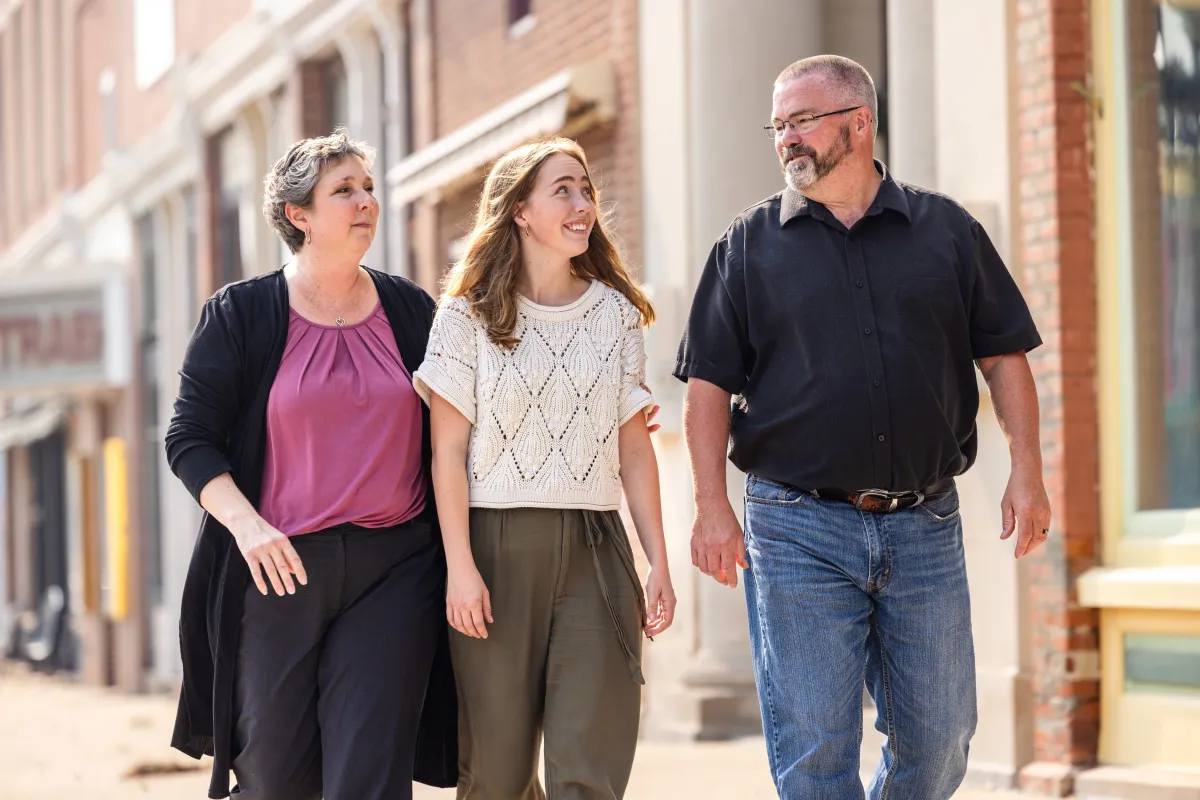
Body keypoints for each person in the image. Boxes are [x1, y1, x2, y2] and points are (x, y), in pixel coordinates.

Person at [674, 56, 1051, 800]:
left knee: (940, 741)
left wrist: (1029, 471)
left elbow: (1003, 356)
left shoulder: (945, 231)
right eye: (778, 126)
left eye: (802, 121)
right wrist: (711, 506)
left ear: (859, 122)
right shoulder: (747, 246)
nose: (787, 140)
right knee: (815, 748)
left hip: (925, 525)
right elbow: (708, 386)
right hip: (795, 525)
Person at [165, 128, 456, 800]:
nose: (365, 203)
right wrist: (248, 526)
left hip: (396, 568)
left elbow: (461, 422)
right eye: (344, 190)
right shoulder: (241, 314)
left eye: (368, 188)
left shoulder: (410, 311)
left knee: (369, 770)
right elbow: (190, 438)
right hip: (281, 568)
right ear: (298, 215)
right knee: (274, 777)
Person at [413, 136, 676, 800]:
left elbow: (634, 451)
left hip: (596, 551)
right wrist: (460, 568)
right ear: (520, 211)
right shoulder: (465, 317)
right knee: (495, 776)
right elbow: (444, 453)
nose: (583, 202)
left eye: (586, 189)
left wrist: (657, 562)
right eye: (563, 189)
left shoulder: (616, 314)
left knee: (590, 762)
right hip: (493, 551)